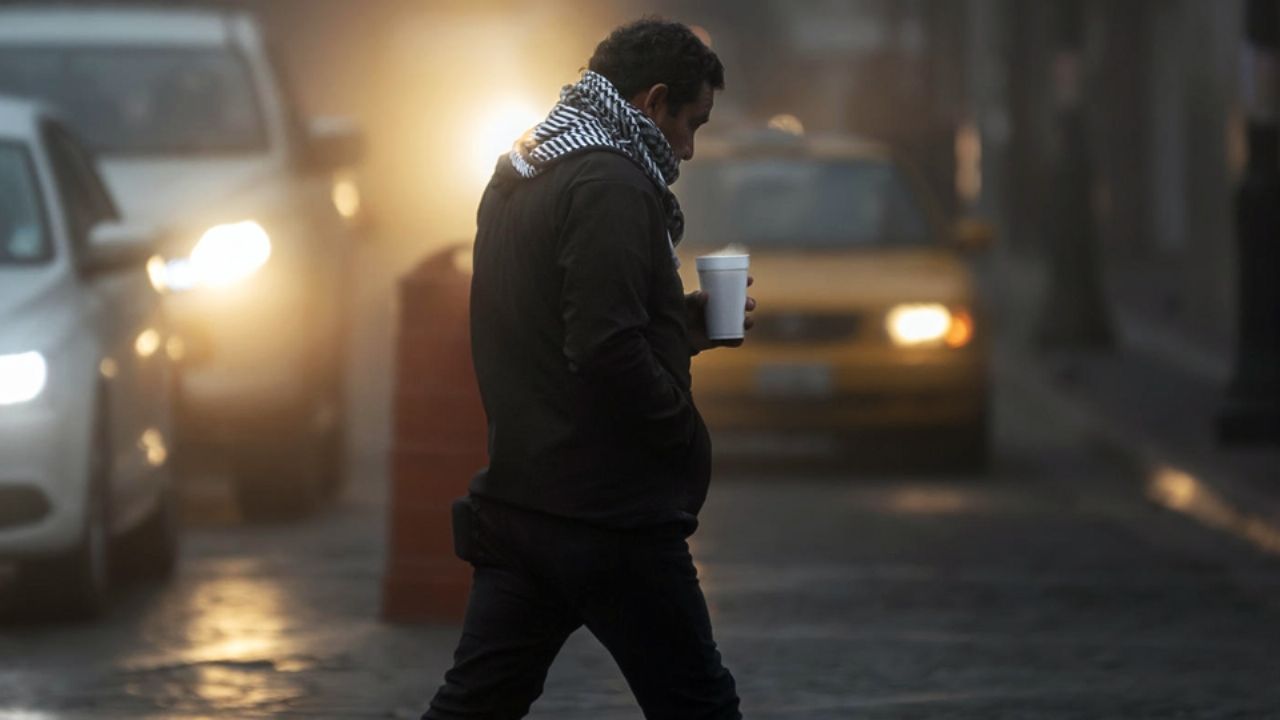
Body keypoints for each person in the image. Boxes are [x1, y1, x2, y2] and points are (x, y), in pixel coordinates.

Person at [424, 18, 752, 720]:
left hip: (525, 502)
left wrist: (675, 331)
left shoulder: (526, 167)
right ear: (653, 101)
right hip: (609, 514)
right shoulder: (609, 182)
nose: (689, 149)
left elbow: (553, 330)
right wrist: (677, 431)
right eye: (689, 123)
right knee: (700, 706)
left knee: (474, 708)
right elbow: (603, 350)